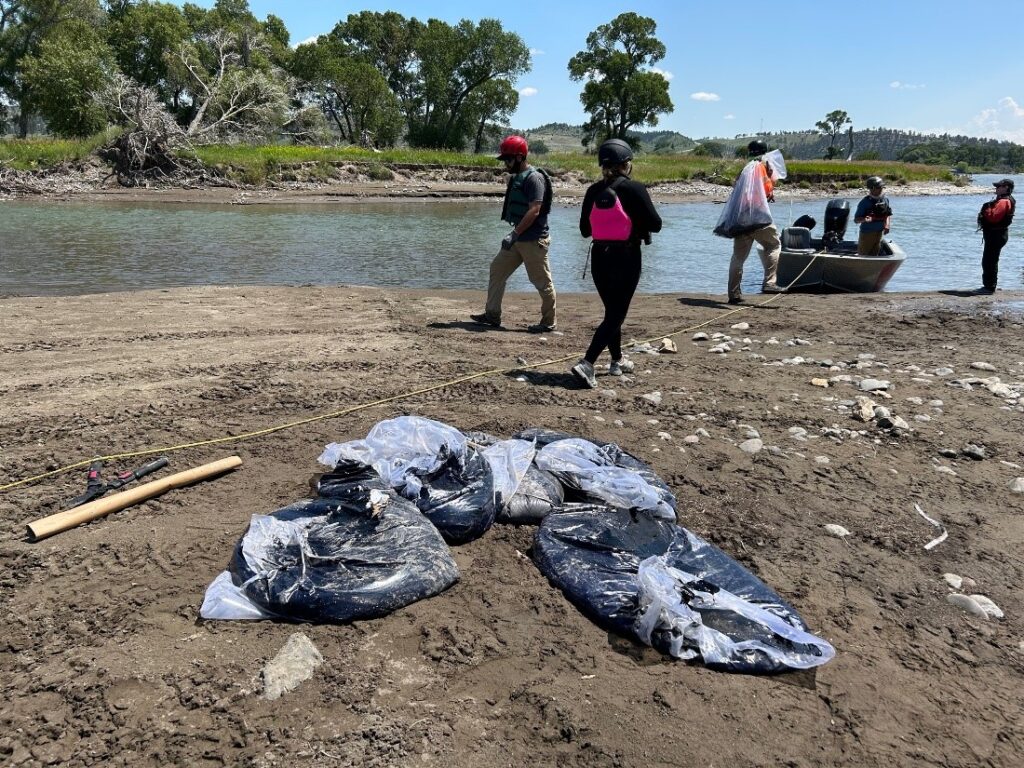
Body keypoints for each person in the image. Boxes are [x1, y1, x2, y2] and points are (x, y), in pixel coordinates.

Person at [570, 138, 662, 388]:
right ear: (626, 164)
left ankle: (617, 361)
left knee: (612, 311)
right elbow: (656, 224)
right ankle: (587, 363)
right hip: (627, 257)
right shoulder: (635, 189)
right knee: (617, 313)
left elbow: (584, 231)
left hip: (600, 258)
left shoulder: (592, 191)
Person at [470, 135, 556, 332]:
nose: (505, 164)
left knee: (542, 283)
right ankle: (492, 315)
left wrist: (514, 234)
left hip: (534, 240)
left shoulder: (534, 178)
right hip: (518, 238)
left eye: (507, 160)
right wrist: (515, 235)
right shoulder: (518, 176)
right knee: (497, 269)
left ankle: (548, 322)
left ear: (519, 157)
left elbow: (535, 210)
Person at [717, 139, 784, 305]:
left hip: (741, 218)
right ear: (764, 151)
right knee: (774, 245)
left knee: (738, 256)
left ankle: (733, 294)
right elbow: (766, 190)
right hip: (758, 216)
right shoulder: (761, 167)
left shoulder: (745, 169)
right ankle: (770, 283)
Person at [975, 178, 1015, 294]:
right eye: (996, 186)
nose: (996, 188)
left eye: (999, 186)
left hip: (996, 235)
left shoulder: (1003, 202)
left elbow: (994, 217)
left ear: (1006, 188)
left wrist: (986, 209)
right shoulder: (1002, 200)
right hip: (998, 234)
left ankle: (989, 287)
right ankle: (989, 286)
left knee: (989, 261)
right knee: (990, 260)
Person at [853, 176, 893, 255]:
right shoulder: (864, 202)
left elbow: (887, 214)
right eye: (879, 187)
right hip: (867, 234)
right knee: (863, 255)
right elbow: (856, 220)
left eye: (882, 186)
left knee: (875, 254)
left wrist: (887, 225)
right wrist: (865, 219)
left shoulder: (885, 199)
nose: (881, 188)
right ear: (872, 188)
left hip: (880, 233)